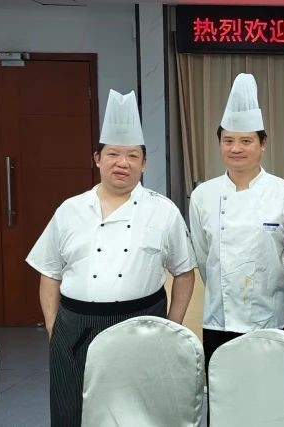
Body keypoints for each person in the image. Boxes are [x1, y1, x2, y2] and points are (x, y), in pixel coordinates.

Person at [26, 90, 196, 426]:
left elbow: (184, 272)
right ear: (97, 158)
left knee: (138, 414)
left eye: (132, 155)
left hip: (141, 325)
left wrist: (171, 325)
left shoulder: (163, 211)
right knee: (71, 412)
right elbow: (50, 272)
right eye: (113, 154)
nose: (123, 163)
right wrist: (54, 327)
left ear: (144, 163)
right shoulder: (70, 210)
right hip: (75, 328)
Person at [189, 73, 284, 365]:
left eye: (246, 141)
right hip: (219, 319)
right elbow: (204, 257)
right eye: (228, 140)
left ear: (263, 143)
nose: (236, 148)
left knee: (267, 390)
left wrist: (268, 285)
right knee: (221, 389)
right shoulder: (203, 195)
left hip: (269, 316)